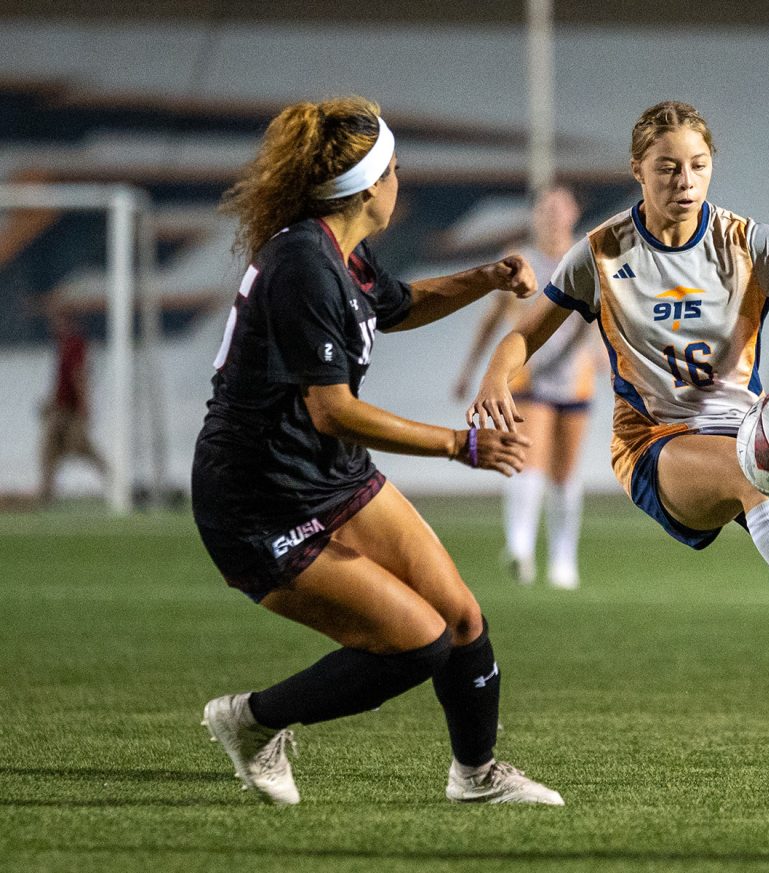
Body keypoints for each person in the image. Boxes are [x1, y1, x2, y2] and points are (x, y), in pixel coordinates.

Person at [468, 101, 769, 788]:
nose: (684, 179)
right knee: (753, 473)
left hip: (741, 430)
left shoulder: (740, 239)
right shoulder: (605, 251)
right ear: (638, 170)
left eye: (697, 165)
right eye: (667, 166)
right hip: (654, 446)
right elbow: (528, 330)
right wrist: (497, 371)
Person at [192, 96, 562, 807]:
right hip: (257, 498)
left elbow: (394, 307)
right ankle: (251, 721)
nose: (402, 180)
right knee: (417, 642)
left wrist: (484, 276)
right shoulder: (304, 264)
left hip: (323, 474)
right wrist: (460, 444)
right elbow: (332, 411)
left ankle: (477, 776)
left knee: (459, 619)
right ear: (365, 186)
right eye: (394, 169)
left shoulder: (336, 250)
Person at [452, 186, 596, 589]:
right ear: (534, 216)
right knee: (528, 455)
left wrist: (605, 354)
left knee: (566, 472)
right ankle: (520, 547)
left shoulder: (586, 257)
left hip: (574, 376)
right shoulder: (522, 261)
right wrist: (470, 370)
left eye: (560, 206)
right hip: (528, 374)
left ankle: (564, 561)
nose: (552, 214)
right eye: (545, 208)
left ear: (573, 212)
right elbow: (492, 318)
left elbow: (601, 315)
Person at [39, 304, 107, 503]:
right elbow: (63, 382)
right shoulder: (63, 345)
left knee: (79, 446)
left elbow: (79, 376)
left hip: (70, 410)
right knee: (49, 450)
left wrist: (85, 405)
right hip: (61, 408)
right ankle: (47, 493)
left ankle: (113, 482)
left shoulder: (75, 344)